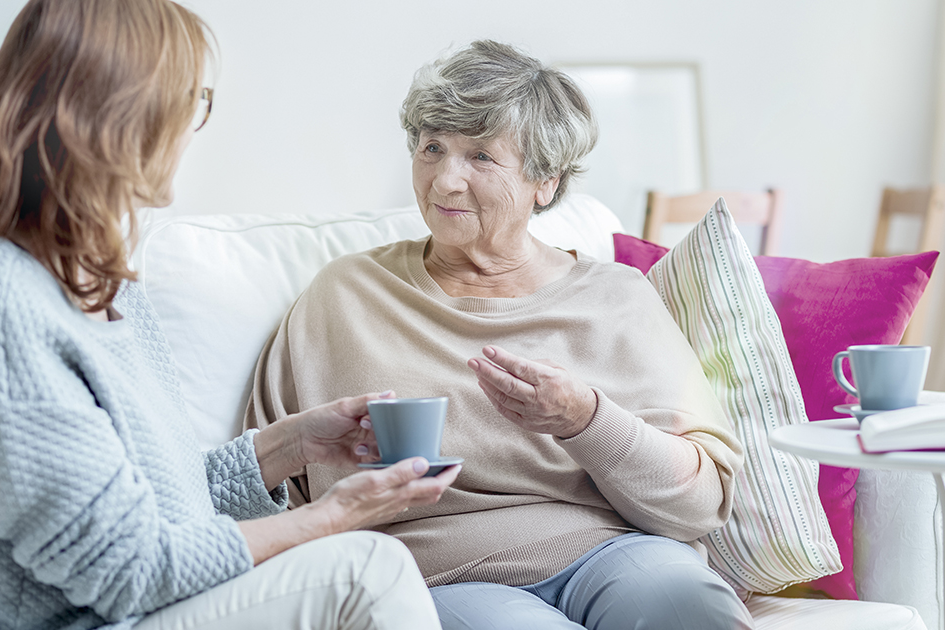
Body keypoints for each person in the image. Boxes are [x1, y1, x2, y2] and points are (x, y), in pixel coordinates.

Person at [0, 1, 457, 629]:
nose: (194, 125)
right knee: (365, 570)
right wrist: (332, 517)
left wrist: (292, 444)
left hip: (149, 606)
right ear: (120, 111)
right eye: (192, 99)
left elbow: (161, 509)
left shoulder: (108, 288)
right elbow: (127, 568)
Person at [246, 40, 755, 629]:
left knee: (691, 606)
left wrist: (586, 420)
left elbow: (700, 504)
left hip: (613, 550)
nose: (444, 181)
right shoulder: (346, 296)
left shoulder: (617, 298)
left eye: (480, 156)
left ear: (546, 181)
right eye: (431, 148)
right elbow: (262, 484)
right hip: (442, 572)